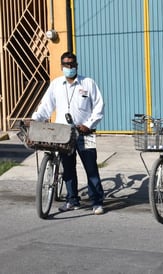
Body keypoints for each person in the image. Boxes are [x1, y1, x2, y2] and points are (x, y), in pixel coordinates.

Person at [31, 52, 105, 215]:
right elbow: (45, 106)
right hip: (63, 134)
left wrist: (88, 124)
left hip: (86, 133)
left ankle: (97, 201)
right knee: (68, 168)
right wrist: (35, 119)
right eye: (66, 64)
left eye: (72, 64)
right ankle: (72, 200)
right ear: (61, 66)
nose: (69, 67)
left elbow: (99, 106)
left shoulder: (88, 83)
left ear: (77, 65)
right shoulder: (56, 84)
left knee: (91, 167)